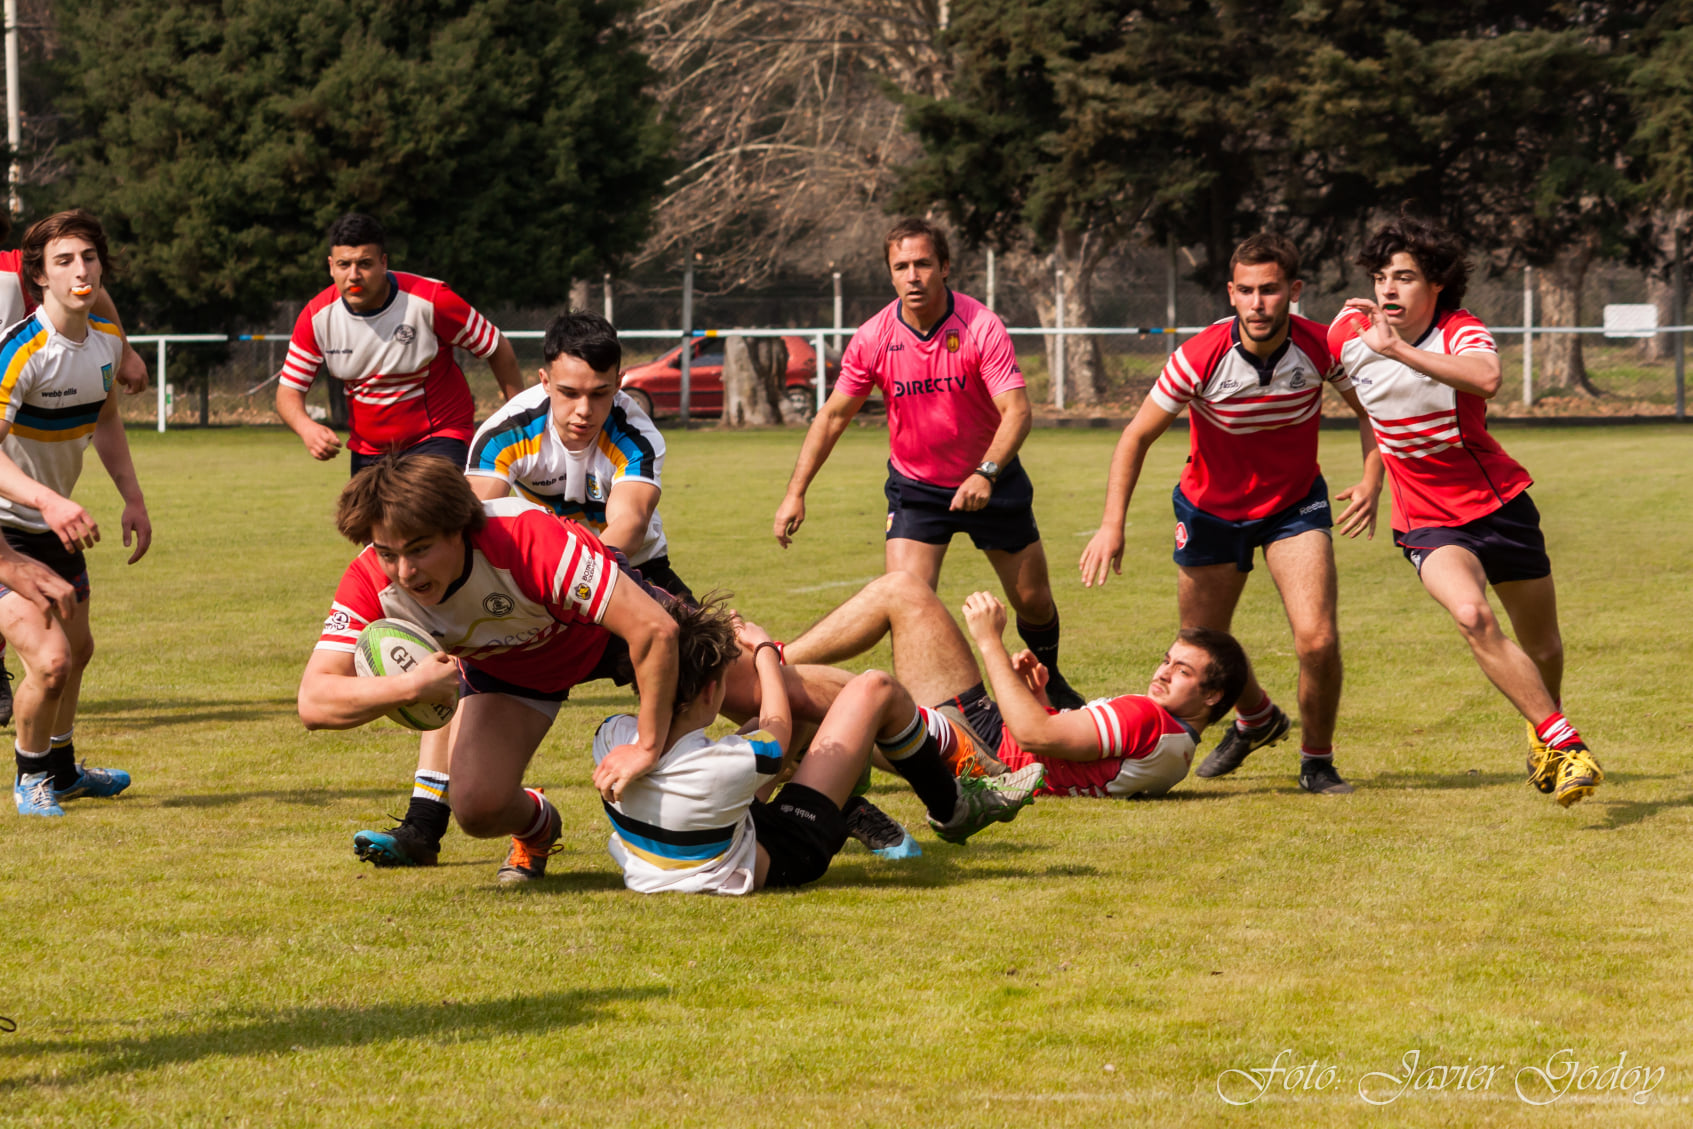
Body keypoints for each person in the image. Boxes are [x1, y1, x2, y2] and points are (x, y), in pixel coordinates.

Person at [354, 311, 694, 867]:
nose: (584, 411)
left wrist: (581, 583)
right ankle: (424, 825)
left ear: (620, 385)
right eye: (568, 392)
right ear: (542, 381)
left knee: (742, 679)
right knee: (455, 659)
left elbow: (628, 526)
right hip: (531, 584)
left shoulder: (634, 432)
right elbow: (474, 522)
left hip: (628, 570)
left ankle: (828, 793)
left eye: (600, 394)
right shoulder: (507, 430)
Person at [1078, 233, 1382, 796]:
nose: (1258, 303)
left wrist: (1371, 477)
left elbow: (1371, 412)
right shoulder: (1200, 356)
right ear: (1231, 294)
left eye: (1270, 290)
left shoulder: (1320, 346)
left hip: (1293, 506)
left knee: (1317, 639)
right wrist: (1111, 525)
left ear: (1293, 291)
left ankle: (1317, 761)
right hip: (1210, 512)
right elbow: (1135, 436)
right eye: (1246, 290)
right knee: (1203, 649)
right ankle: (1258, 718)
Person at [298, 454, 681, 884]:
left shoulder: (522, 535)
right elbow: (314, 701)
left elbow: (653, 628)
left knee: (752, 690)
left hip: (599, 631)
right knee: (478, 808)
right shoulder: (371, 579)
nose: (405, 571)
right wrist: (411, 686)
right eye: (388, 553)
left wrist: (647, 745)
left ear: (460, 528)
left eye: (420, 549)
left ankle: (767, 820)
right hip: (511, 669)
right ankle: (538, 829)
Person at [1328, 216, 1601, 807]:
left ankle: (1540, 732)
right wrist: (1374, 476)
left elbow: (1488, 379)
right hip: (1427, 519)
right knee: (1473, 616)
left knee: (1545, 648)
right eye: (1380, 277)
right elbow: (1367, 410)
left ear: (1437, 286)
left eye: (1404, 277)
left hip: (1500, 506)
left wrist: (1396, 349)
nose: (1388, 290)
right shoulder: (1347, 333)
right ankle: (1564, 741)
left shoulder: (1460, 329)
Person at [772, 217, 1086, 709]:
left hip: (992, 480)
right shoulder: (874, 337)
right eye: (902, 266)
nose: (913, 275)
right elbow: (832, 416)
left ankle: (1054, 679)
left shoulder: (980, 325)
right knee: (906, 601)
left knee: (1034, 601)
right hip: (917, 488)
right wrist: (796, 491)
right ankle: (927, 720)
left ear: (944, 267)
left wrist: (986, 472)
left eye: (922, 263)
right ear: (891, 275)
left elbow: (1017, 411)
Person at [594, 596, 1043, 895]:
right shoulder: (721, 768)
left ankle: (849, 798)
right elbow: (776, 728)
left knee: (797, 716)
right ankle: (954, 808)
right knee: (874, 689)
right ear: (711, 692)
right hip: (786, 850)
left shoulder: (611, 738)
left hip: (704, 838)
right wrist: (766, 650)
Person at [781, 572, 1249, 799]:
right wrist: (1040, 700)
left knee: (809, 683)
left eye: (1183, 671)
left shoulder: (1147, 716)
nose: (1163, 672)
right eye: (1168, 660)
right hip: (985, 740)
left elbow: (1034, 739)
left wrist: (989, 641)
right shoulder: (1179, 748)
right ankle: (770, 679)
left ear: (1212, 696)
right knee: (902, 594)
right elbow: (1075, 762)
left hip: (976, 753)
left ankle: (761, 666)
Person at [0, 210, 152, 816]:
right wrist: (48, 498)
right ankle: (29, 777)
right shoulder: (18, 351)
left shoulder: (107, 342)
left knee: (79, 650)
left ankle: (62, 771)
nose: (80, 269)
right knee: (53, 660)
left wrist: (133, 498)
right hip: (5, 534)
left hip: (52, 531)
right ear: (37, 275)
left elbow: (107, 419)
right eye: (63, 260)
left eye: (88, 257)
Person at [275, 212, 525, 471]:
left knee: (432, 510)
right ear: (330, 266)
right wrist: (306, 427)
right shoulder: (316, 318)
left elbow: (495, 346)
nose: (354, 275)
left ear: (384, 263)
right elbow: (288, 391)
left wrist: (517, 417)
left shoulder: (432, 300)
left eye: (364, 263)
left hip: (437, 438)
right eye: (343, 264)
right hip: (369, 451)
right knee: (365, 514)